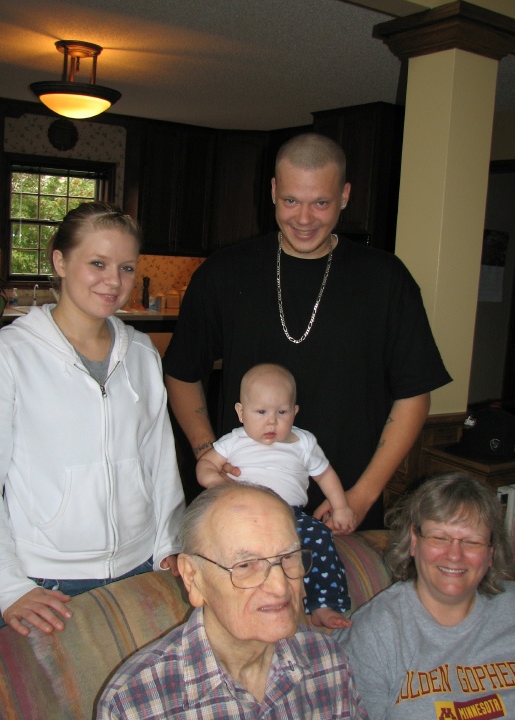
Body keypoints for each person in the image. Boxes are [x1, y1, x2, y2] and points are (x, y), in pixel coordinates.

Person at [163, 132, 451, 529]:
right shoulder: (224, 273)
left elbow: (414, 395)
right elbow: (181, 372)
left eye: (321, 203)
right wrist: (207, 452)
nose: (303, 219)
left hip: (345, 507)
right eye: (291, 201)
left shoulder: (386, 279)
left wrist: (361, 496)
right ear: (273, 190)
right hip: (239, 507)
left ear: (345, 196)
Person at [0, 202, 185, 637]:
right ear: (60, 261)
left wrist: (170, 546)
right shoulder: (9, 355)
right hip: (49, 584)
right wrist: (9, 585)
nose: (114, 281)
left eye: (126, 267)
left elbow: (160, 462)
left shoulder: (143, 353)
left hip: (141, 566)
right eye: (97, 263)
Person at [97, 482, 368, 719]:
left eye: (288, 557)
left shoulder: (327, 661)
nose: (279, 586)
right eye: (246, 565)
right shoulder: (136, 703)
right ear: (193, 578)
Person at [335, 472, 515, 720]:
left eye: (472, 542)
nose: (454, 555)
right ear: (413, 541)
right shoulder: (374, 635)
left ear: (491, 552)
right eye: (439, 538)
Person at [197, 363, 355, 629]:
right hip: (241, 514)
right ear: (241, 412)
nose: (272, 421)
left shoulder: (303, 443)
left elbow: (325, 474)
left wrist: (340, 508)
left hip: (288, 515)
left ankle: (323, 603)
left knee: (318, 536)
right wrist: (214, 481)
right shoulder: (234, 441)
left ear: (295, 412)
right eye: (261, 412)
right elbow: (205, 464)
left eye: (281, 412)